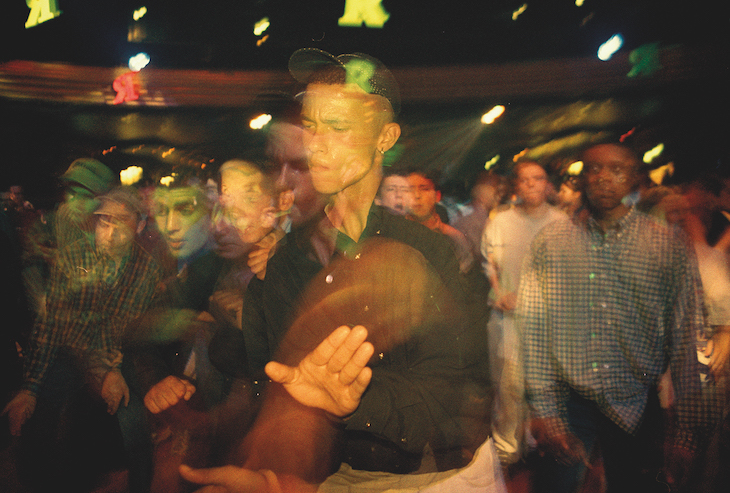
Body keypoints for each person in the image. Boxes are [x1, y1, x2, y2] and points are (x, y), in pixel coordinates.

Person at [180, 48, 493, 493]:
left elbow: (454, 395)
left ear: (384, 138)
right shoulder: (285, 259)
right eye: (311, 127)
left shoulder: (430, 252)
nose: (316, 145)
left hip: (430, 479)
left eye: (338, 127)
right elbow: (264, 378)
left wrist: (354, 403)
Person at [517, 143, 718, 493]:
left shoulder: (665, 245)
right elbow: (533, 327)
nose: (605, 179)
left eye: (617, 170)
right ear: (582, 179)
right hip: (570, 401)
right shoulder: (551, 243)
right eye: (595, 170)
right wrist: (545, 407)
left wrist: (687, 429)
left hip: (637, 401)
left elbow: (688, 334)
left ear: (634, 178)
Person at [2, 186, 162, 492]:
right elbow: (52, 322)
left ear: (140, 226)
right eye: (104, 222)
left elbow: (118, 325)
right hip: (71, 350)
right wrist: (30, 386)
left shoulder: (145, 270)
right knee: (40, 419)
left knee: (134, 429)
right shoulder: (75, 255)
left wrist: (109, 370)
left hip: (116, 353)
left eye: (122, 222)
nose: (110, 232)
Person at [480, 160, 566, 468]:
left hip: (550, 326)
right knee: (510, 390)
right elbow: (490, 264)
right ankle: (506, 451)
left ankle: (536, 444)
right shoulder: (501, 222)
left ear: (547, 184)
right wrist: (500, 293)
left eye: (538, 178)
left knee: (544, 389)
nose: (531, 185)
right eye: (525, 180)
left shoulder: (562, 223)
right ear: (516, 185)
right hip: (510, 324)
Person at [406, 168, 474, 274]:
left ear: (437, 196)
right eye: (410, 190)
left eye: (424, 189)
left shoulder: (453, 238)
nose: (417, 195)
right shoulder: (396, 234)